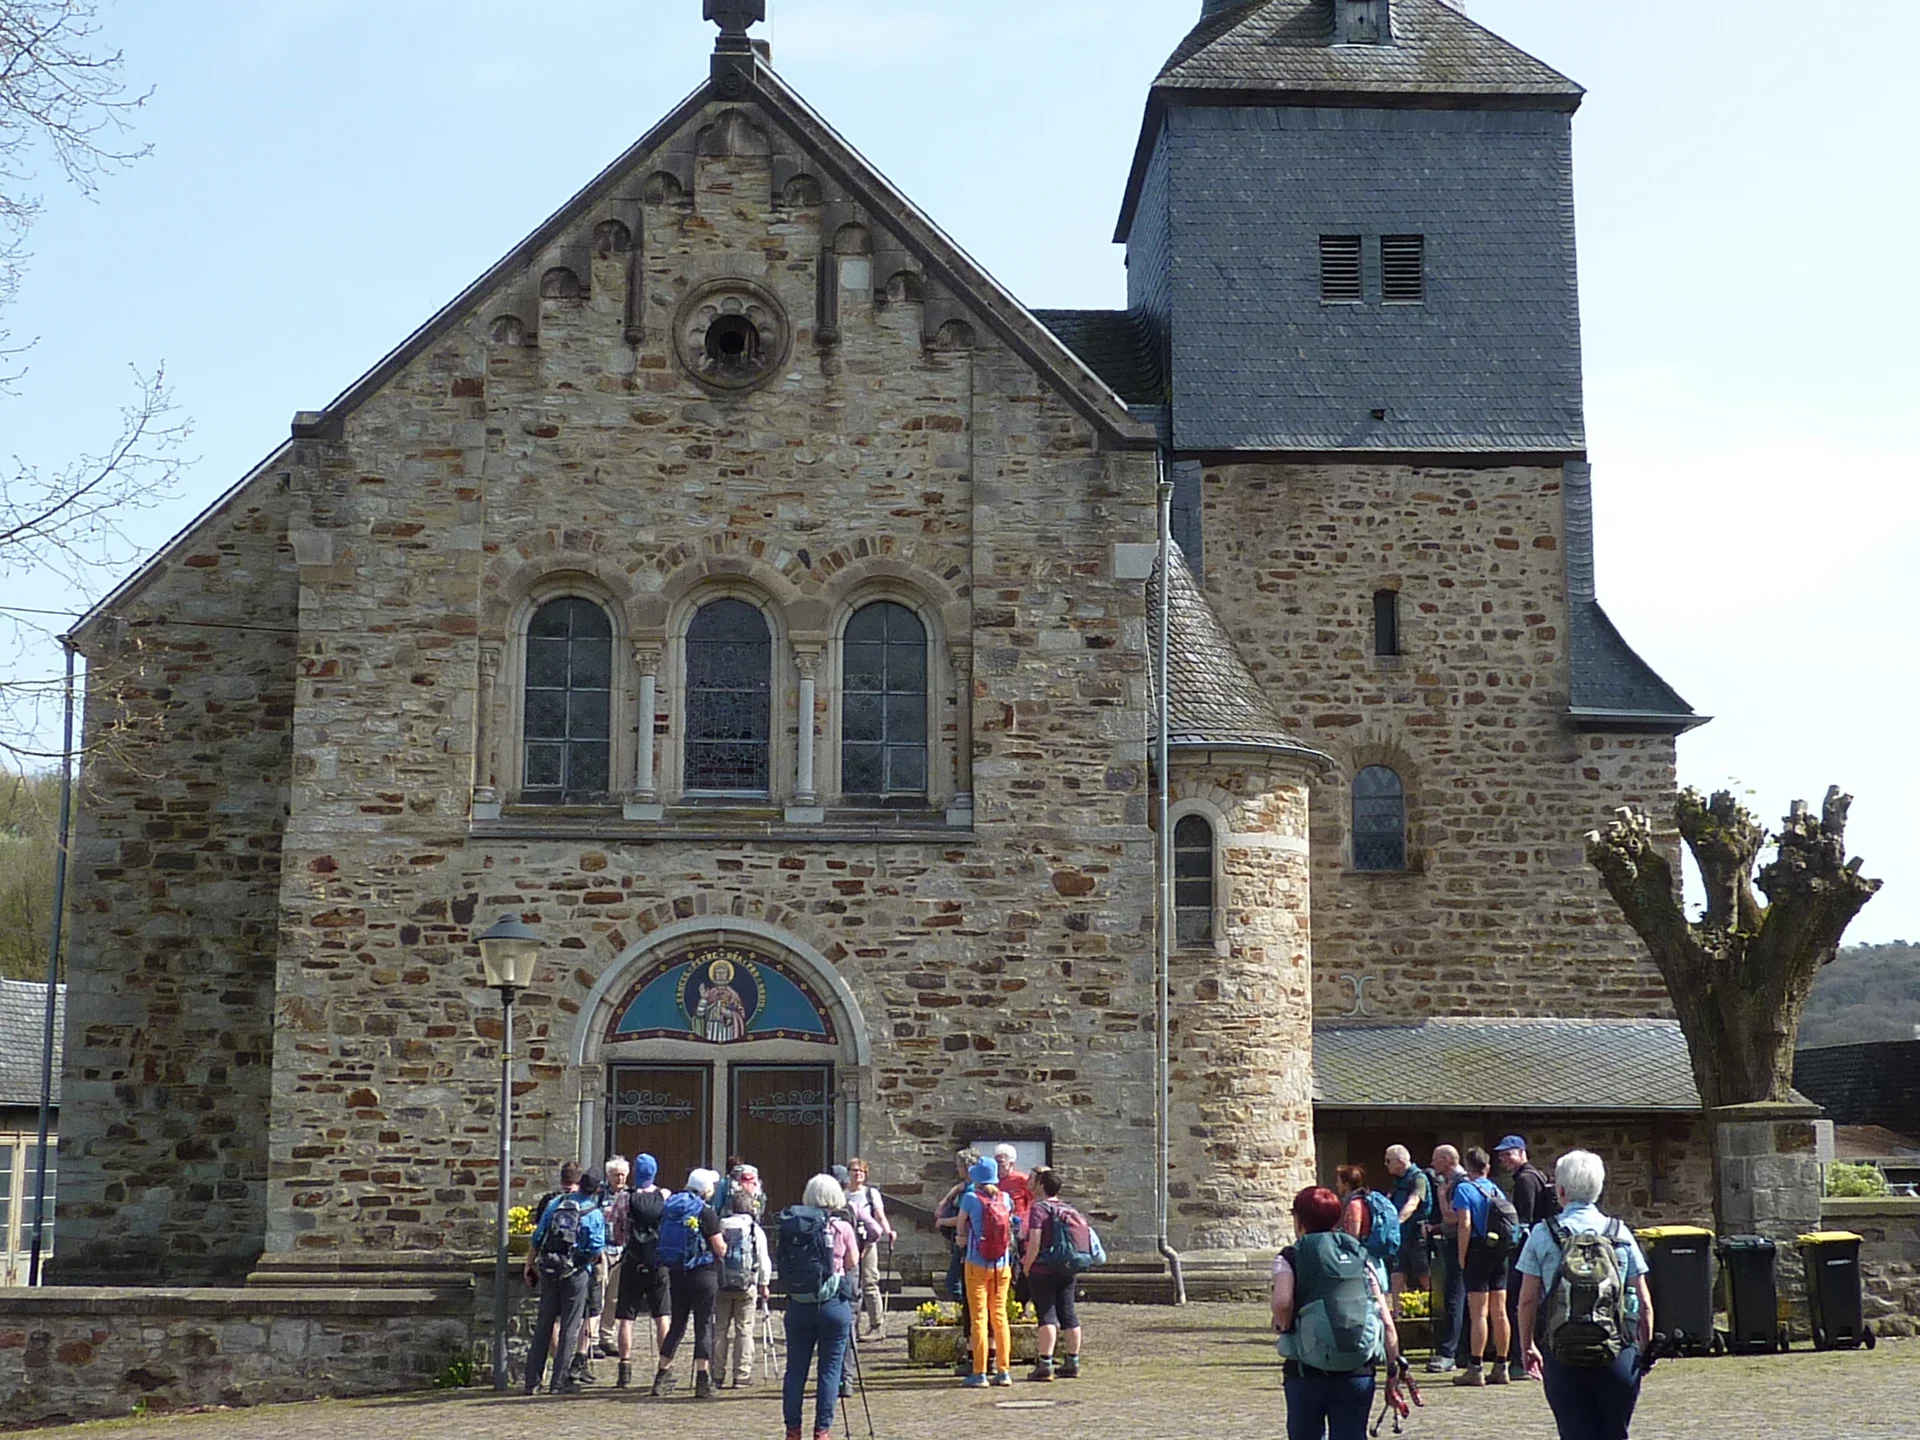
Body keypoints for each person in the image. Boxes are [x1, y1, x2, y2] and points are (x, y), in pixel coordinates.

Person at [1516, 1150, 1655, 1440]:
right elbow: (1644, 1302)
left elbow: (1527, 1300)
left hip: (1562, 1352)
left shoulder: (1543, 1234)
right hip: (1617, 1351)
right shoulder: (1620, 1233)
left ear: (1561, 1191)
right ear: (1598, 1189)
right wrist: (1643, 1350)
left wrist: (1527, 1345)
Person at [1272, 1185, 1402, 1440]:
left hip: (1306, 1371)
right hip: (1357, 1371)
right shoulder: (1359, 1255)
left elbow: (1283, 1302)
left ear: (1299, 1220)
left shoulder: (1291, 1256)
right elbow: (1385, 1319)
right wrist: (1394, 1367)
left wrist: (1284, 1325)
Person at [781, 1171, 861, 1440]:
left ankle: (793, 1430)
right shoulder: (841, 1227)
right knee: (829, 1370)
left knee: (795, 1370)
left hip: (799, 1303)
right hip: (832, 1304)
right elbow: (852, 1262)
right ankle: (822, 1431)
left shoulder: (793, 1226)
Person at [521, 1162, 606, 1395]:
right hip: (576, 1273)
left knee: (544, 1324)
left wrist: (529, 1264)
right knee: (569, 1327)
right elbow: (596, 1248)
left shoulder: (555, 1204)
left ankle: (532, 1381)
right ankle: (559, 1382)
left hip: (550, 1269)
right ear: (597, 1189)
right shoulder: (594, 1213)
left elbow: (538, 1236)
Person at [650, 1166, 726, 1399]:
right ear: (705, 1189)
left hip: (677, 1272)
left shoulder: (671, 1206)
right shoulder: (705, 1212)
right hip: (703, 1273)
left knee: (677, 1325)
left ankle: (661, 1377)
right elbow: (719, 1248)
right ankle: (703, 1380)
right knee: (703, 1324)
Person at [1497, 1135, 1560, 1381]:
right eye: (1502, 1155)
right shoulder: (1535, 1176)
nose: (1504, 1159)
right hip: (1538, 1248)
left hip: (1529, 1250)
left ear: (1522, 1152)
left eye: (1509, 1154)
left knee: (1520, 1303)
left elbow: (1524, 1221)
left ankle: (1521, 1361)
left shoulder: (1525, 1180)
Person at [1451, 1146, 1513, 1385]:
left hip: (1477, 1249)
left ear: (1468, 1166)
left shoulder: (1464, 1189)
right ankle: (1501, 1365)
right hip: (1499, 1251)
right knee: (1500, 1311)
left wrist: (1462, 1255)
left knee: (1479, 1313)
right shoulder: (1495, 1189)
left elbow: (1464, 1224)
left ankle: (1475, 1367)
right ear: (1487, 1166)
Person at [1019, 1167, 1085, 1381]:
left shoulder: (1039, 1208)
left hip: (1043, 1268)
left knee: (1046, 1314)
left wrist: (1027, 1265)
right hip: (1066, 1267)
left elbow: (1035, 1242)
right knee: (1068, 1313)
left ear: (1041, 1185)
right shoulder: (1067, 1208)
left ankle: (1045, 1364)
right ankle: (1072, 1362)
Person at [612, 1152, 671, 1387]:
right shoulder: (665, 1196)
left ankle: (624, 1370)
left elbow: (616, 1229)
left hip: (633, 1261)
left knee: (626, 1318)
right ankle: (664, 1368)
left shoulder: (625, 1197)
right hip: (658, 1262)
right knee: (662, 1316)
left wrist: (624, 1242)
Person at [956, 1155, 1015, 1387]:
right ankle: (1004, 1371)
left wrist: (961, 1238)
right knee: (1000, 1317)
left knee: (979, 1318)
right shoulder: (1006, 1198)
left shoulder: (971, 1198)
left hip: (976, 1263)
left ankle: (979, 1372)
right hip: (1002, 1264)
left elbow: (961, 1224)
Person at [712, 1180, 772, 1388]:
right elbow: (763, 1260)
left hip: (721, 1284)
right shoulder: (755, 1230)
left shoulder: (720, 1225)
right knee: (744, 1329)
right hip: (747, 1286)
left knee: (720, 1329)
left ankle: (717, 1374)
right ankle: (741, 1375)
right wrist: (764, 1284)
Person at [934, 1149, 980, 1375]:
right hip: (968, 1247)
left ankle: (967, 1321)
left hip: (966, 1246)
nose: (957, 1169)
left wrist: (943, 1221)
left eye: (959, 1166)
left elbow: (963, 1219)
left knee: (954, 1283)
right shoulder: (967, 1187)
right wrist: (952, 1192)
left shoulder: (971, 1192)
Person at [1426, 1143, 1468, 1374]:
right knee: (1461, 1299)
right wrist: (1435, 1228)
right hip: (1459, 1245)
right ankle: (1462, 1352)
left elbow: (1454, 1218)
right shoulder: (1458, 1182)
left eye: (1436, 1159)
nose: (1432, 1163)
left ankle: (1448, 1353)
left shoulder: (1458, 1184)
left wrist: (1441, 1196)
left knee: (1454, 1298)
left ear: (1447, 1160)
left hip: (1459, 1247)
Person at [845, 1156, 897, 1339]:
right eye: (855, 1170)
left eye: (862, 1171)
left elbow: (879, 1215)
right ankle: (852, 1325)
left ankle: (877, 1325)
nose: (858, 1174)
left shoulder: (870, 1193)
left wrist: (888, 1231)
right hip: (848, 1242)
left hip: (868, 1242)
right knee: (851, 1284)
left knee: (869, 1281)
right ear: (848, 1173)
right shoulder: (843, 1194)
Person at [1383, 1146, 1432, 1308]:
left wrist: (1397, 1222)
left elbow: (1413, 1202)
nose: (1385, 1164)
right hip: (1401, 1236)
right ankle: (1397, 1312)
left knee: (1424, 1274)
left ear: (1400, 1162)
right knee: (1397, 1272)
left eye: (1388, 1161)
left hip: (1417, 1235)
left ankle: (1434, 1310)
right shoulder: (1398, 1182)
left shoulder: (1418, 1179)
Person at [596, 1155, 632, 1361]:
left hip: (621, 1250)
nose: (620, 1179)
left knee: (613, 1297)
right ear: (608, 1176)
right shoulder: (599, 1194)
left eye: (623, 1175)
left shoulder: (629, 1195)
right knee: (598, 1293)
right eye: (616, 1175)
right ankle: (592, 1338)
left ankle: (606, 1337)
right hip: (602, 1249)